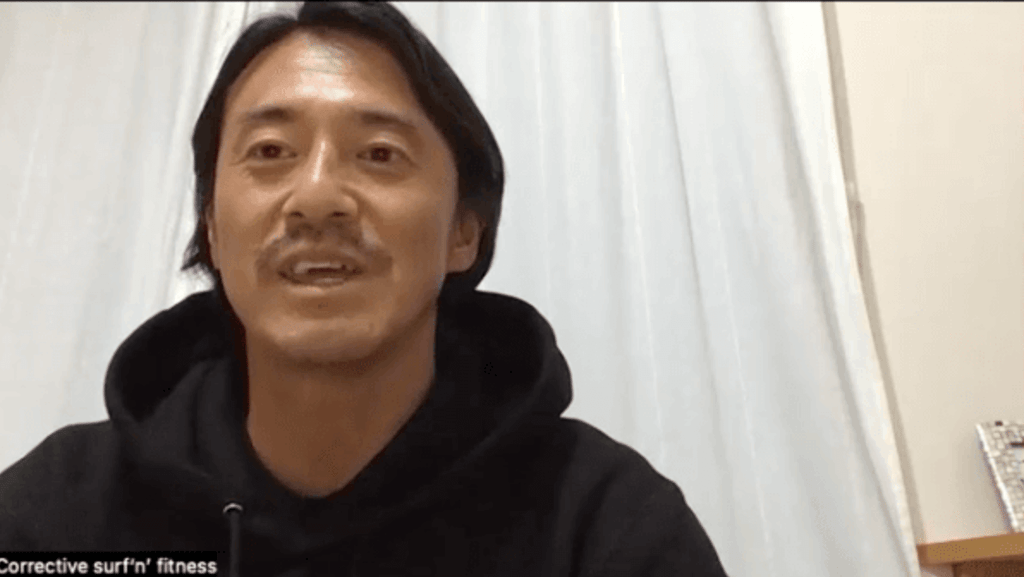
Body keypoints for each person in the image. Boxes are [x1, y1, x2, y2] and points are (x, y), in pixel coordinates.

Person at [0, 2, 728, 576]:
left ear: (464, 232)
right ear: (212, 228)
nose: (317, 198)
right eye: (270, 151)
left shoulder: (604, 529)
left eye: (379, 154)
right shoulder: (55, 518)